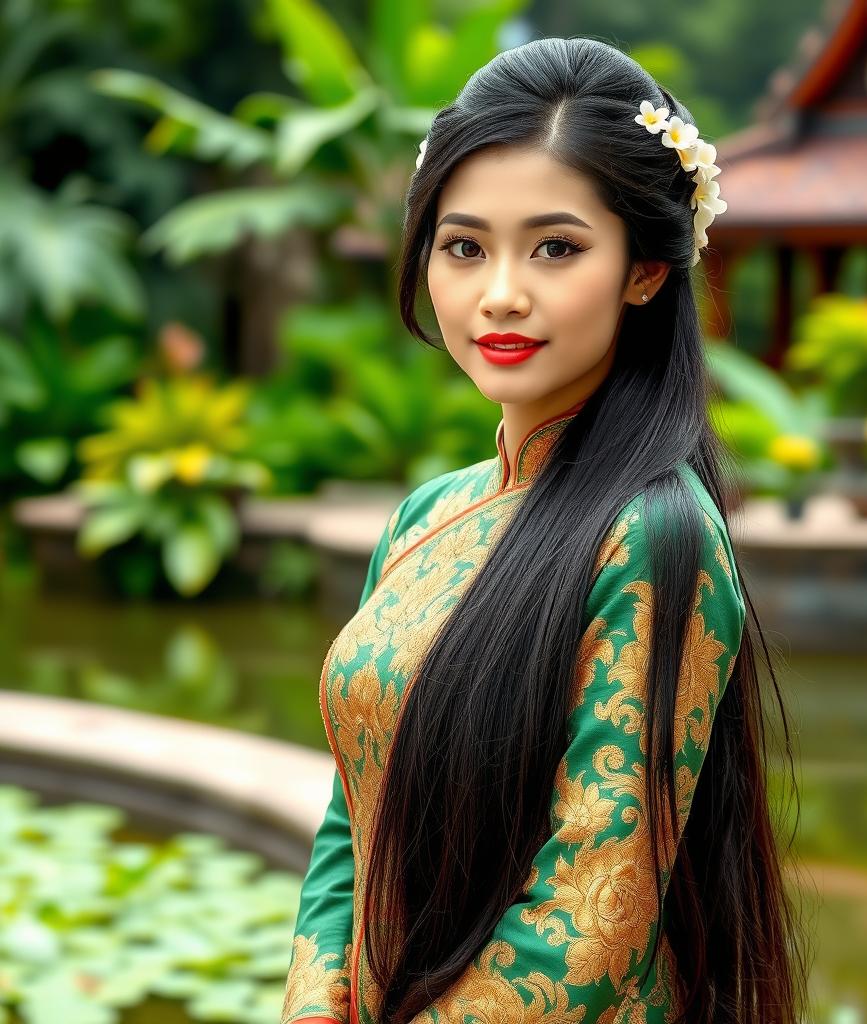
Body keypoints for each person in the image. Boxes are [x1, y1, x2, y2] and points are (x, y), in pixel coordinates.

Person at [281, 35, 809, 1024]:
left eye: (555, 247)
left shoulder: (653, 536)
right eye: (464, 245)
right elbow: (352, 814)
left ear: (646, 270)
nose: (500, 294)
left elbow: (591, 912)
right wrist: (317, 1004)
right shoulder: (424, 518)